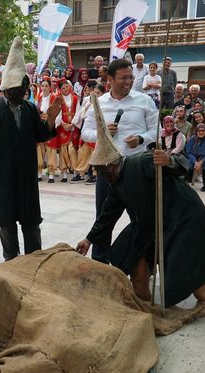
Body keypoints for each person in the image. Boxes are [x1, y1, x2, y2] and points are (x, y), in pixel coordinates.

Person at [75, 100, 205, 313]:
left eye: (101, 172)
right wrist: (88, 240)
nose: (99, 176)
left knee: (181, 257)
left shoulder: (140, 161)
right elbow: (107, 218)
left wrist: (168, 161)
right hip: (149, 221)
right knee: (130, 249)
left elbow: (182, 164)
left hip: (182, 214)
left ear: (110, 166)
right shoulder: (115, 186)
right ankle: (143, 300)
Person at [0, 37, 63, 261]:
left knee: (32, 225)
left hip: (26, 177)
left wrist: (50, 120)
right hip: (2, 177)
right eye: (14, 91)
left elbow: (41, 134)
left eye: (22, 90)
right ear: (5, 90)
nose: (19, 94)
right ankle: (11, 264)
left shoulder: (30, 108)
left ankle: (34, 265)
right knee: (7, 226)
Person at [80, 58, 159, 263]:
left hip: (136, 172)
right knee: (104, 218)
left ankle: (144, 263)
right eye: (123, 78)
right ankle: (100, 261)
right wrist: (102, 132)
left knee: (141, 219)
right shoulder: (99, 103)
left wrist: (142, 139)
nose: (128, 81)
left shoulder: (144, 101)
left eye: (131, 77)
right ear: (110, 79)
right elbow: (85, 133)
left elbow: (155, 131)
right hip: (108, 171)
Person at [46, 78, 79, 183]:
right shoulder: (58, 98)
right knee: (63, 152)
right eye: (63, 88)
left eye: (67, 87)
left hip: (73, 127)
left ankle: (76, 173)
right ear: (60, 89)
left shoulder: (75, 98)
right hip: (63, 128)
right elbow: (58, 113)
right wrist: (61, 124)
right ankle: (64, 174)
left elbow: (78, 112)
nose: (66, 89)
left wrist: (72, 124)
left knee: (72, 151)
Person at [185, 123, 205, 191]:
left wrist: (201, 162)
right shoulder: (192, 139)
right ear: (196, 131)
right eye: (199, 131)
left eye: (203, 130)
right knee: (189, 162)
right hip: (193, 157)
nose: (201, 132)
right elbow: (189, 152)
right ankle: (187, 183)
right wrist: (195, 161)